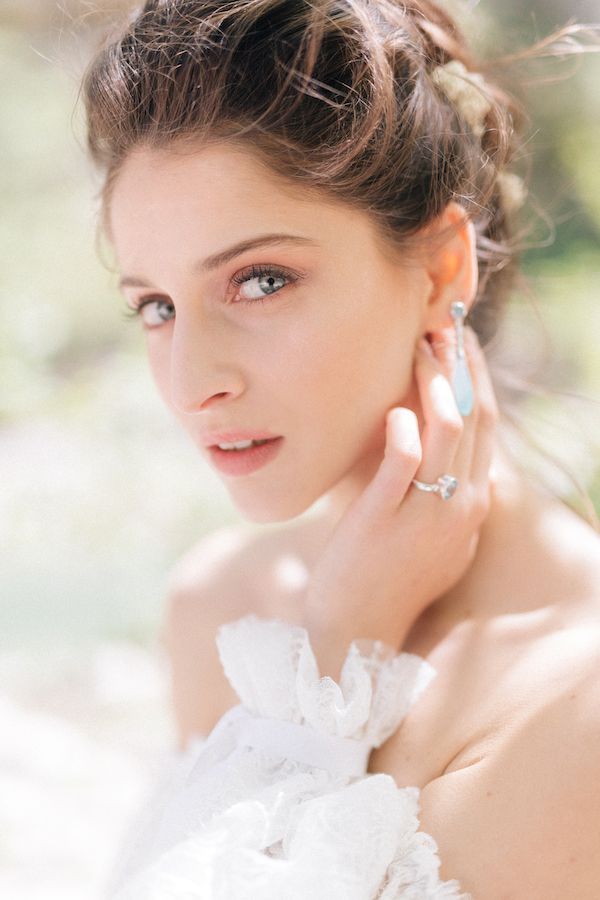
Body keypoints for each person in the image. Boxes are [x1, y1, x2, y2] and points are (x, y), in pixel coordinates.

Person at [80, 1, 600, 897]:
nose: (190, 380)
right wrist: (334, 648)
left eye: (260, 280)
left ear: (442, 271)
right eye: (156, 307)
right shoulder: (224, 609)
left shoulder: (574, 698)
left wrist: (330, 674)